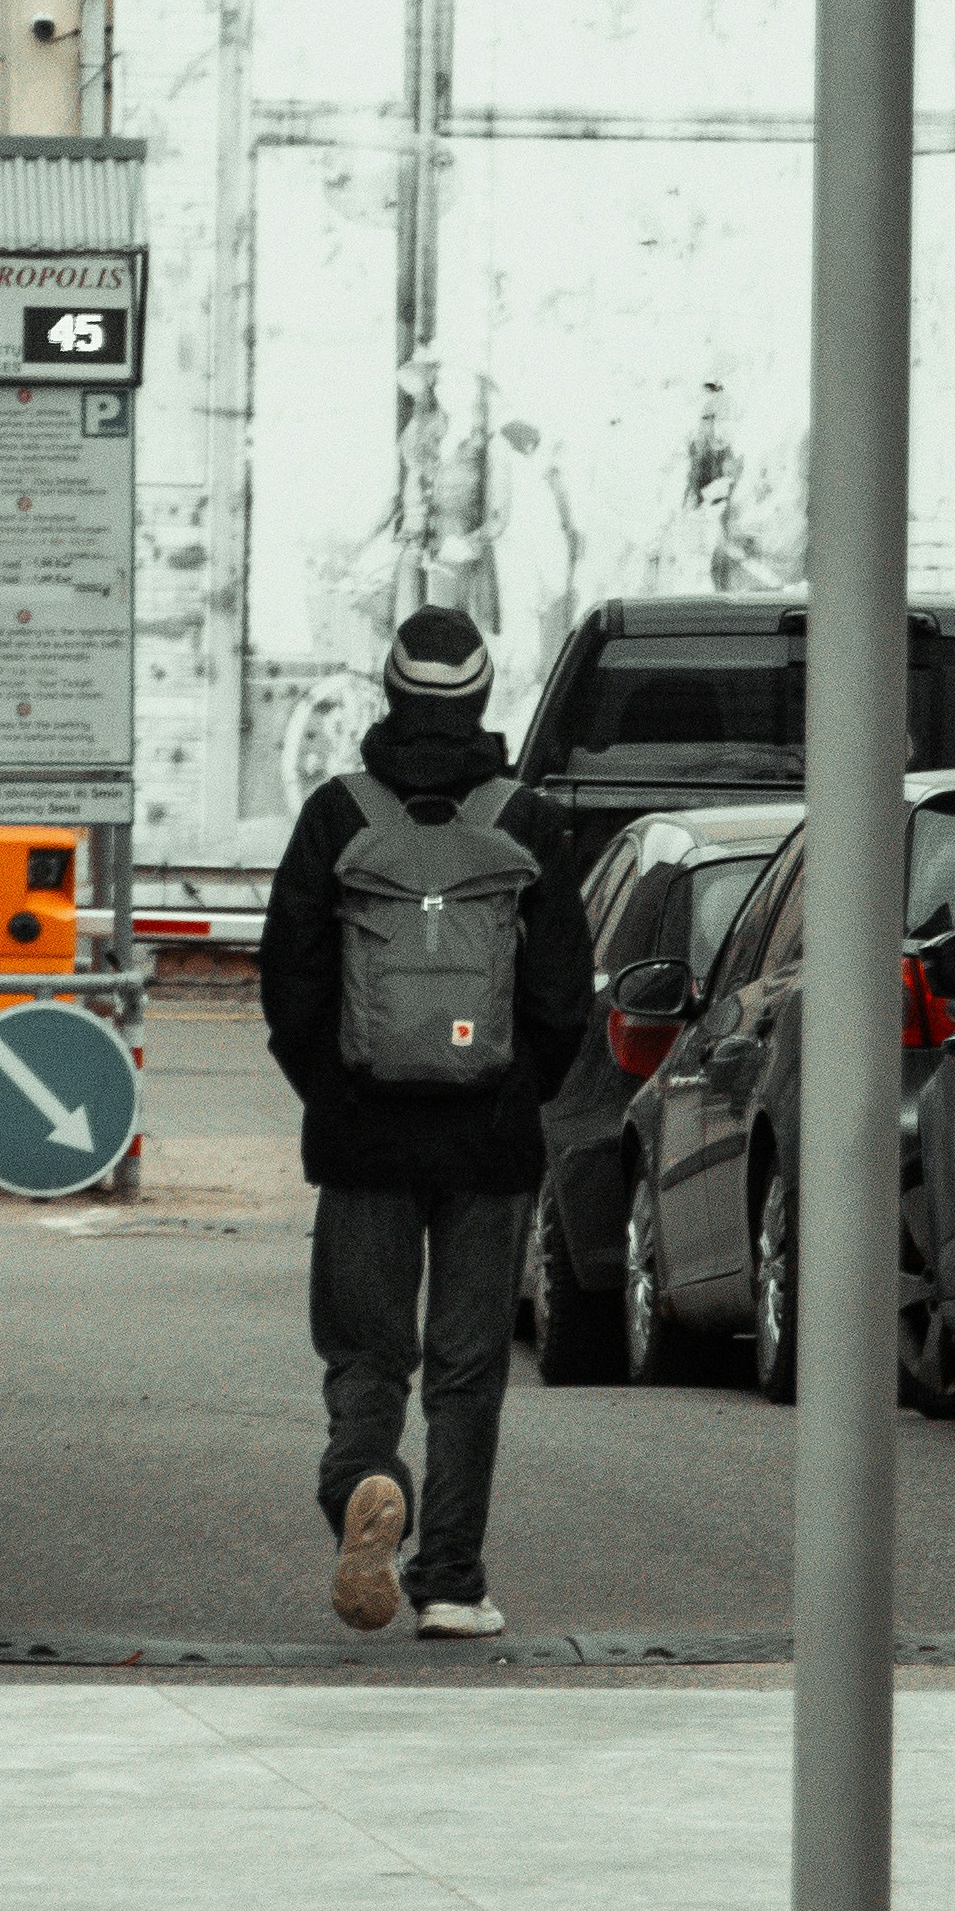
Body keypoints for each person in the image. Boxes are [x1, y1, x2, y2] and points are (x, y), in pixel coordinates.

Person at [257, 601, 594, 1638]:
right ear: (484, 695)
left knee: (366, 1354)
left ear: (389, 692)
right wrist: (509, 1090)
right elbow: (561, 994)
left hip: (363, 1132)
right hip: (487, 1140)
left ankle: (366, 1479)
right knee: (467, 1366)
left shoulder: (337, 814)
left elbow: (290, 982)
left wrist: (338, 1089)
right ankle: (449, 1579)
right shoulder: (523, 820)